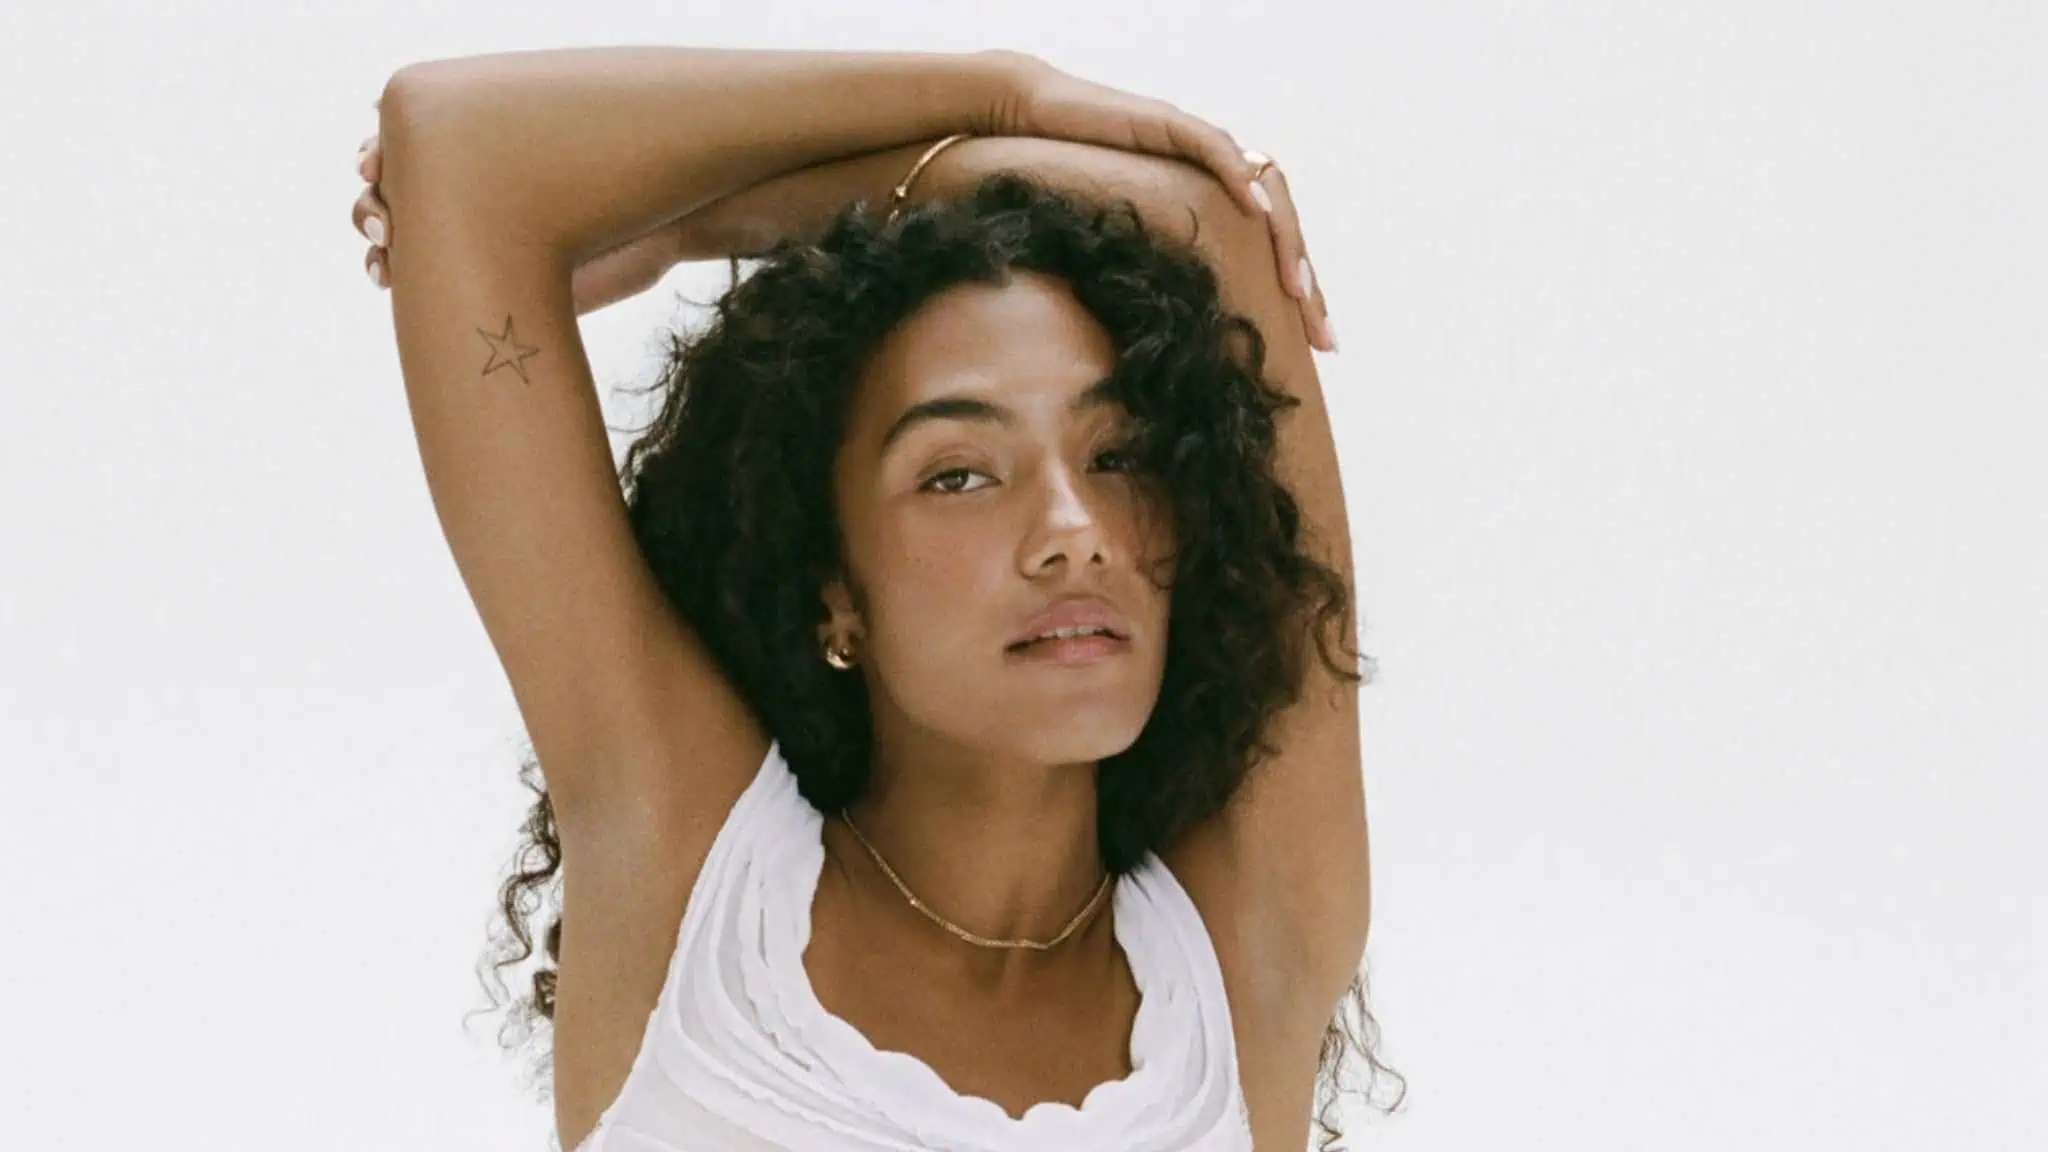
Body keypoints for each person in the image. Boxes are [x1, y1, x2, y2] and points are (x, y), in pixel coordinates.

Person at [350, 46, 1402, 1151]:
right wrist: (997, 90)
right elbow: (457, 141)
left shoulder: (1242, 970)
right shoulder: (703, 901)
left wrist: (712, 222)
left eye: (1116, 456)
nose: (1074, 533)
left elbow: (1209, 222)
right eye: (959, 475)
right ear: (834, 593)